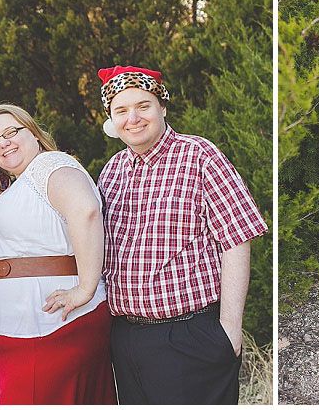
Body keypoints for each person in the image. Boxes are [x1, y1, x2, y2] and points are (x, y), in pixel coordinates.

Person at [96, 65, 267, 404]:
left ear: (162, 106)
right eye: (121, 110)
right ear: (111, 120)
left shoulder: (199, 155)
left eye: (143, 105)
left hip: (188, 336)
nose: (133, 118)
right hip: (125, 338)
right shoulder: (111, 171)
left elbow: (237, 238)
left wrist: (229, 330)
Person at [0, 104, 116, 404]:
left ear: (36, 135)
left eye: (11, 132)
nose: (3, 143)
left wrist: (85, 288)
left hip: (51, 329)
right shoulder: (24, 182)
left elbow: (86, 210)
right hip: (25, 332)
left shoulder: (50, 164)